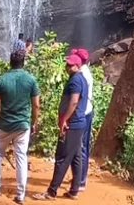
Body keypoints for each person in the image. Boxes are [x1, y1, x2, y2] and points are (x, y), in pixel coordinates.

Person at [0, 40, 40, 203]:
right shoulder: (31, 80)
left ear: (10, 62)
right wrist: (33, 123)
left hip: (4, 125)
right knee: (21, 158)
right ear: (23, 62)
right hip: (22, 126)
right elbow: (36, 105)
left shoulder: (2, 80)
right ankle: (20, 195)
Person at [40, 51, 91, 200]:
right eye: (67, 64)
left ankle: (51, 192)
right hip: (79, 123)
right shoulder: (81, 78)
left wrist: (64, 120)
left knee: (62, 157)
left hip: (72, 124)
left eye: (70, 65)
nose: (67, 67)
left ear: (77, 66)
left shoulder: (75, 80)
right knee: (75, 156)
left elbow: (74, 101)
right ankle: (75, 189)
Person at [72, 49, 94, 191]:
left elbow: (76, 99)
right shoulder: (85, 72)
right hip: (87, 111)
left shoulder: (83, 75)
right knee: (81, 146)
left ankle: (80, 180)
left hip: (83, 113)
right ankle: (79, 178)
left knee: (81, 147)